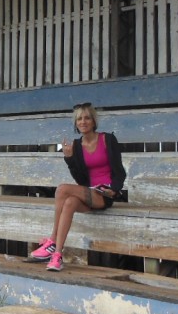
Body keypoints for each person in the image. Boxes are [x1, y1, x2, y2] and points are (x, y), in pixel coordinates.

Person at [30, 102, 126, 271]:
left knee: (62, 189)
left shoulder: (108, 139)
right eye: (79, 119)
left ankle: (52, 240)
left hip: (105, 194)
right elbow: (81, 180)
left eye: (87, 118)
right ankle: (57, 255)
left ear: (93, 121)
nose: (83, 121)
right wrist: (69, 159)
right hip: (89, 191)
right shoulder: (76, 146)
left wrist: (115, 189)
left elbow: (120, 172)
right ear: (76, 123)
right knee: (69, 203)